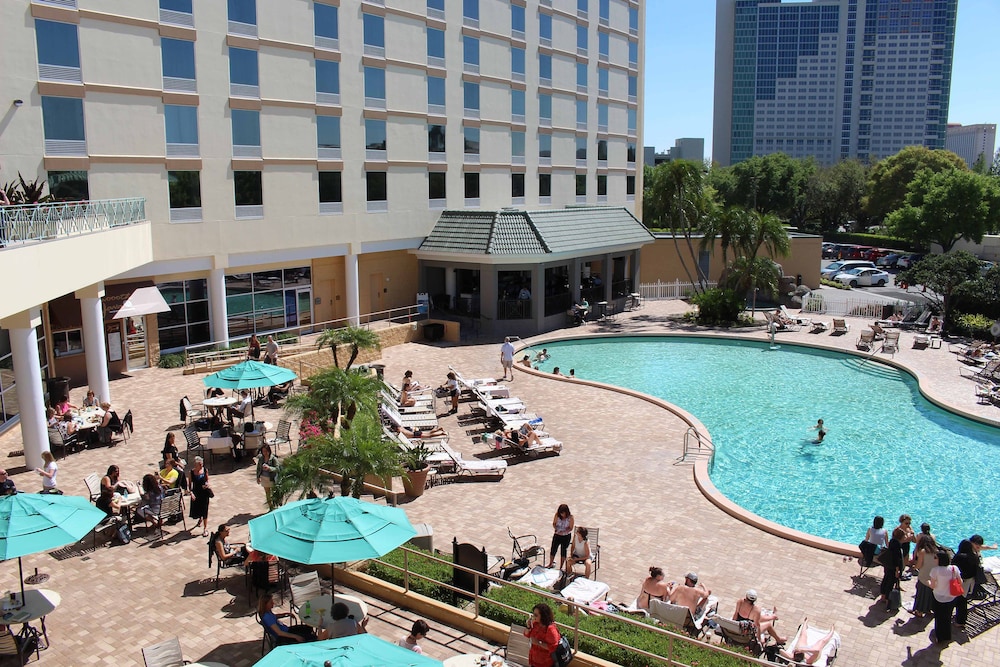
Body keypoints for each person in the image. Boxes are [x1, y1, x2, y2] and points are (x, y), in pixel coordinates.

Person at [929, 551, 961, 644]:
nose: (934, 559)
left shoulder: (935, 570)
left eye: (935, 558)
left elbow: (933, 586)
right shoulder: (954, 569)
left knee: (939, 617)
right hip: (951, 597)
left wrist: (927, 582)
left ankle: (939, 636)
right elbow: (960, 581)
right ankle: (947, 635)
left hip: (938, 597)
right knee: (947, 617)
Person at [952, 539, 979, 627]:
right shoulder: (974, 557)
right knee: (963, 601)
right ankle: (961, 621)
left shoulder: (959, 556)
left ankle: (954, 618)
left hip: (959, 581)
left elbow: (953, 568)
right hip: (969, 582)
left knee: (955, 600)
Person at [524, 603, 560, 667]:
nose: (534, 617)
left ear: (543, 616)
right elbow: (526, 634)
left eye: (536, 615)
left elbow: (553, 647)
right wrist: (528, 627)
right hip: (534, 660)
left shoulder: (550, 629)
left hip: (545, 663)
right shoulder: (535, 624)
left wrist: (538, 643)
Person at [910, 533, 938, 618]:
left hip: (924, 575)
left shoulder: (923, 552)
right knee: (930, 593)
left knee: (921, 593)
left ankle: (919, 611)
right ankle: (928, 609)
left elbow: (919, 565)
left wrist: (914, 567)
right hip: (933, 576)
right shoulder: (936, 551)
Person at [877, 527, 904, 609]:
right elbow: (897, 559)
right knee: (890, 582)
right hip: (893, 567)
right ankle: (887, 600)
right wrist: (897, 570)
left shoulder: (892, 542)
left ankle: (883, 596)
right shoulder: (897, 546)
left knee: (885, 579)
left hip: (887, 564)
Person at [188, 456, 211, 537]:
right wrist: (191, 493)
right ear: (195, 464)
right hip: (196, 493)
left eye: (202, 464)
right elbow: (190, 485)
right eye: (199, 464)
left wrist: (207, 484)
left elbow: (207, 480)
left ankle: (205, 528)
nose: (201, 466)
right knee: (197, 509)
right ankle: (200, 518)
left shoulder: (205, 470)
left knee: (205, 510)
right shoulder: (191, 472)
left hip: (204, 493)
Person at [546, 504, 574, 570]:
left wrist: (564, 532)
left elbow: (571, 528)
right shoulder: (557, 515)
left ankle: (561, 566)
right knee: (553, 549)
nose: (562, 515)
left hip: (566, 536)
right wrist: (556, 528)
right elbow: (554, 523)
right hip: (557, 535)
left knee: (563, 551)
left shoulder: (570, 517)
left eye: (563, 513)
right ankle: (551, 563)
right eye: (561, 513)